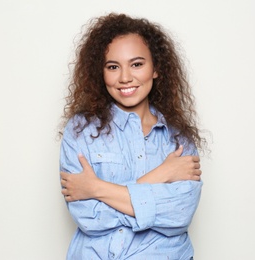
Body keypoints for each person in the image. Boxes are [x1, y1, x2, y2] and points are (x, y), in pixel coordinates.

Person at [59, 13, 205, 260]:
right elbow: (89, 217)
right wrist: (162, 176)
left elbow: (180, 215)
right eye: (113, 67)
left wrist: (96, 188)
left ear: (156, 68)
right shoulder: (80, 130)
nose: (125, 77)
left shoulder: (179, 139)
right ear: (101, 72)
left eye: (137, 64)